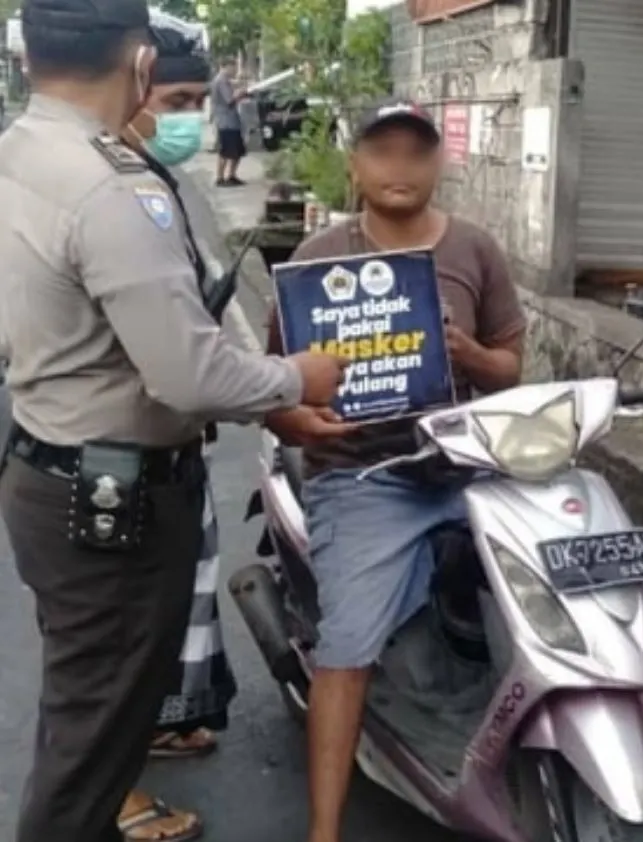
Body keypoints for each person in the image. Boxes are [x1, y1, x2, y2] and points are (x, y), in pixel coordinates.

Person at [0, 1, 348, 841]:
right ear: (141, 61)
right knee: (93, 747)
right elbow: (191, 372)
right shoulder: (109, 188)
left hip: (52, 473)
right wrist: (294, 376)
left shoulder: (18, 154)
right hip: (111, 504)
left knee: (85, 715)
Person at [265, 97, 527, 842]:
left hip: (466, 461)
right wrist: (300, 418)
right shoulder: (317, 258)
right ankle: (324, 830)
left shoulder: (476, 249)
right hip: (359, 475)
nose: (400, 168)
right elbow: (273, 392)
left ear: (439, 164)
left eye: (417, 153)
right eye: (382, 153)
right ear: (356, 165)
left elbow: (510, 366)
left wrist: (469, 355)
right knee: (347, 650)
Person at [113, 22, 228, 842]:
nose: (190, 119)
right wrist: (282, 389)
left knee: (175, 600)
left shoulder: (169, 184)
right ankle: (111, 791)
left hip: (175, 438)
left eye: (199, 103)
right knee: (113, 628)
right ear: (135, 94)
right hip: (116, 452)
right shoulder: (109, 192)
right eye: (176, 102)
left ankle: (156, 721)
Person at [210, 56, 247, 187]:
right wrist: (241, 93)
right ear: (226, 66)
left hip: (230, 121)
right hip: (226, 122)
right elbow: (229, 100)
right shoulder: (221, 81)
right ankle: (220, 178)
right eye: (234, 67)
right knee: (226, 151)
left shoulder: (224, 80)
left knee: (236, 151)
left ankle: (231, 175)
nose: (235, 70)